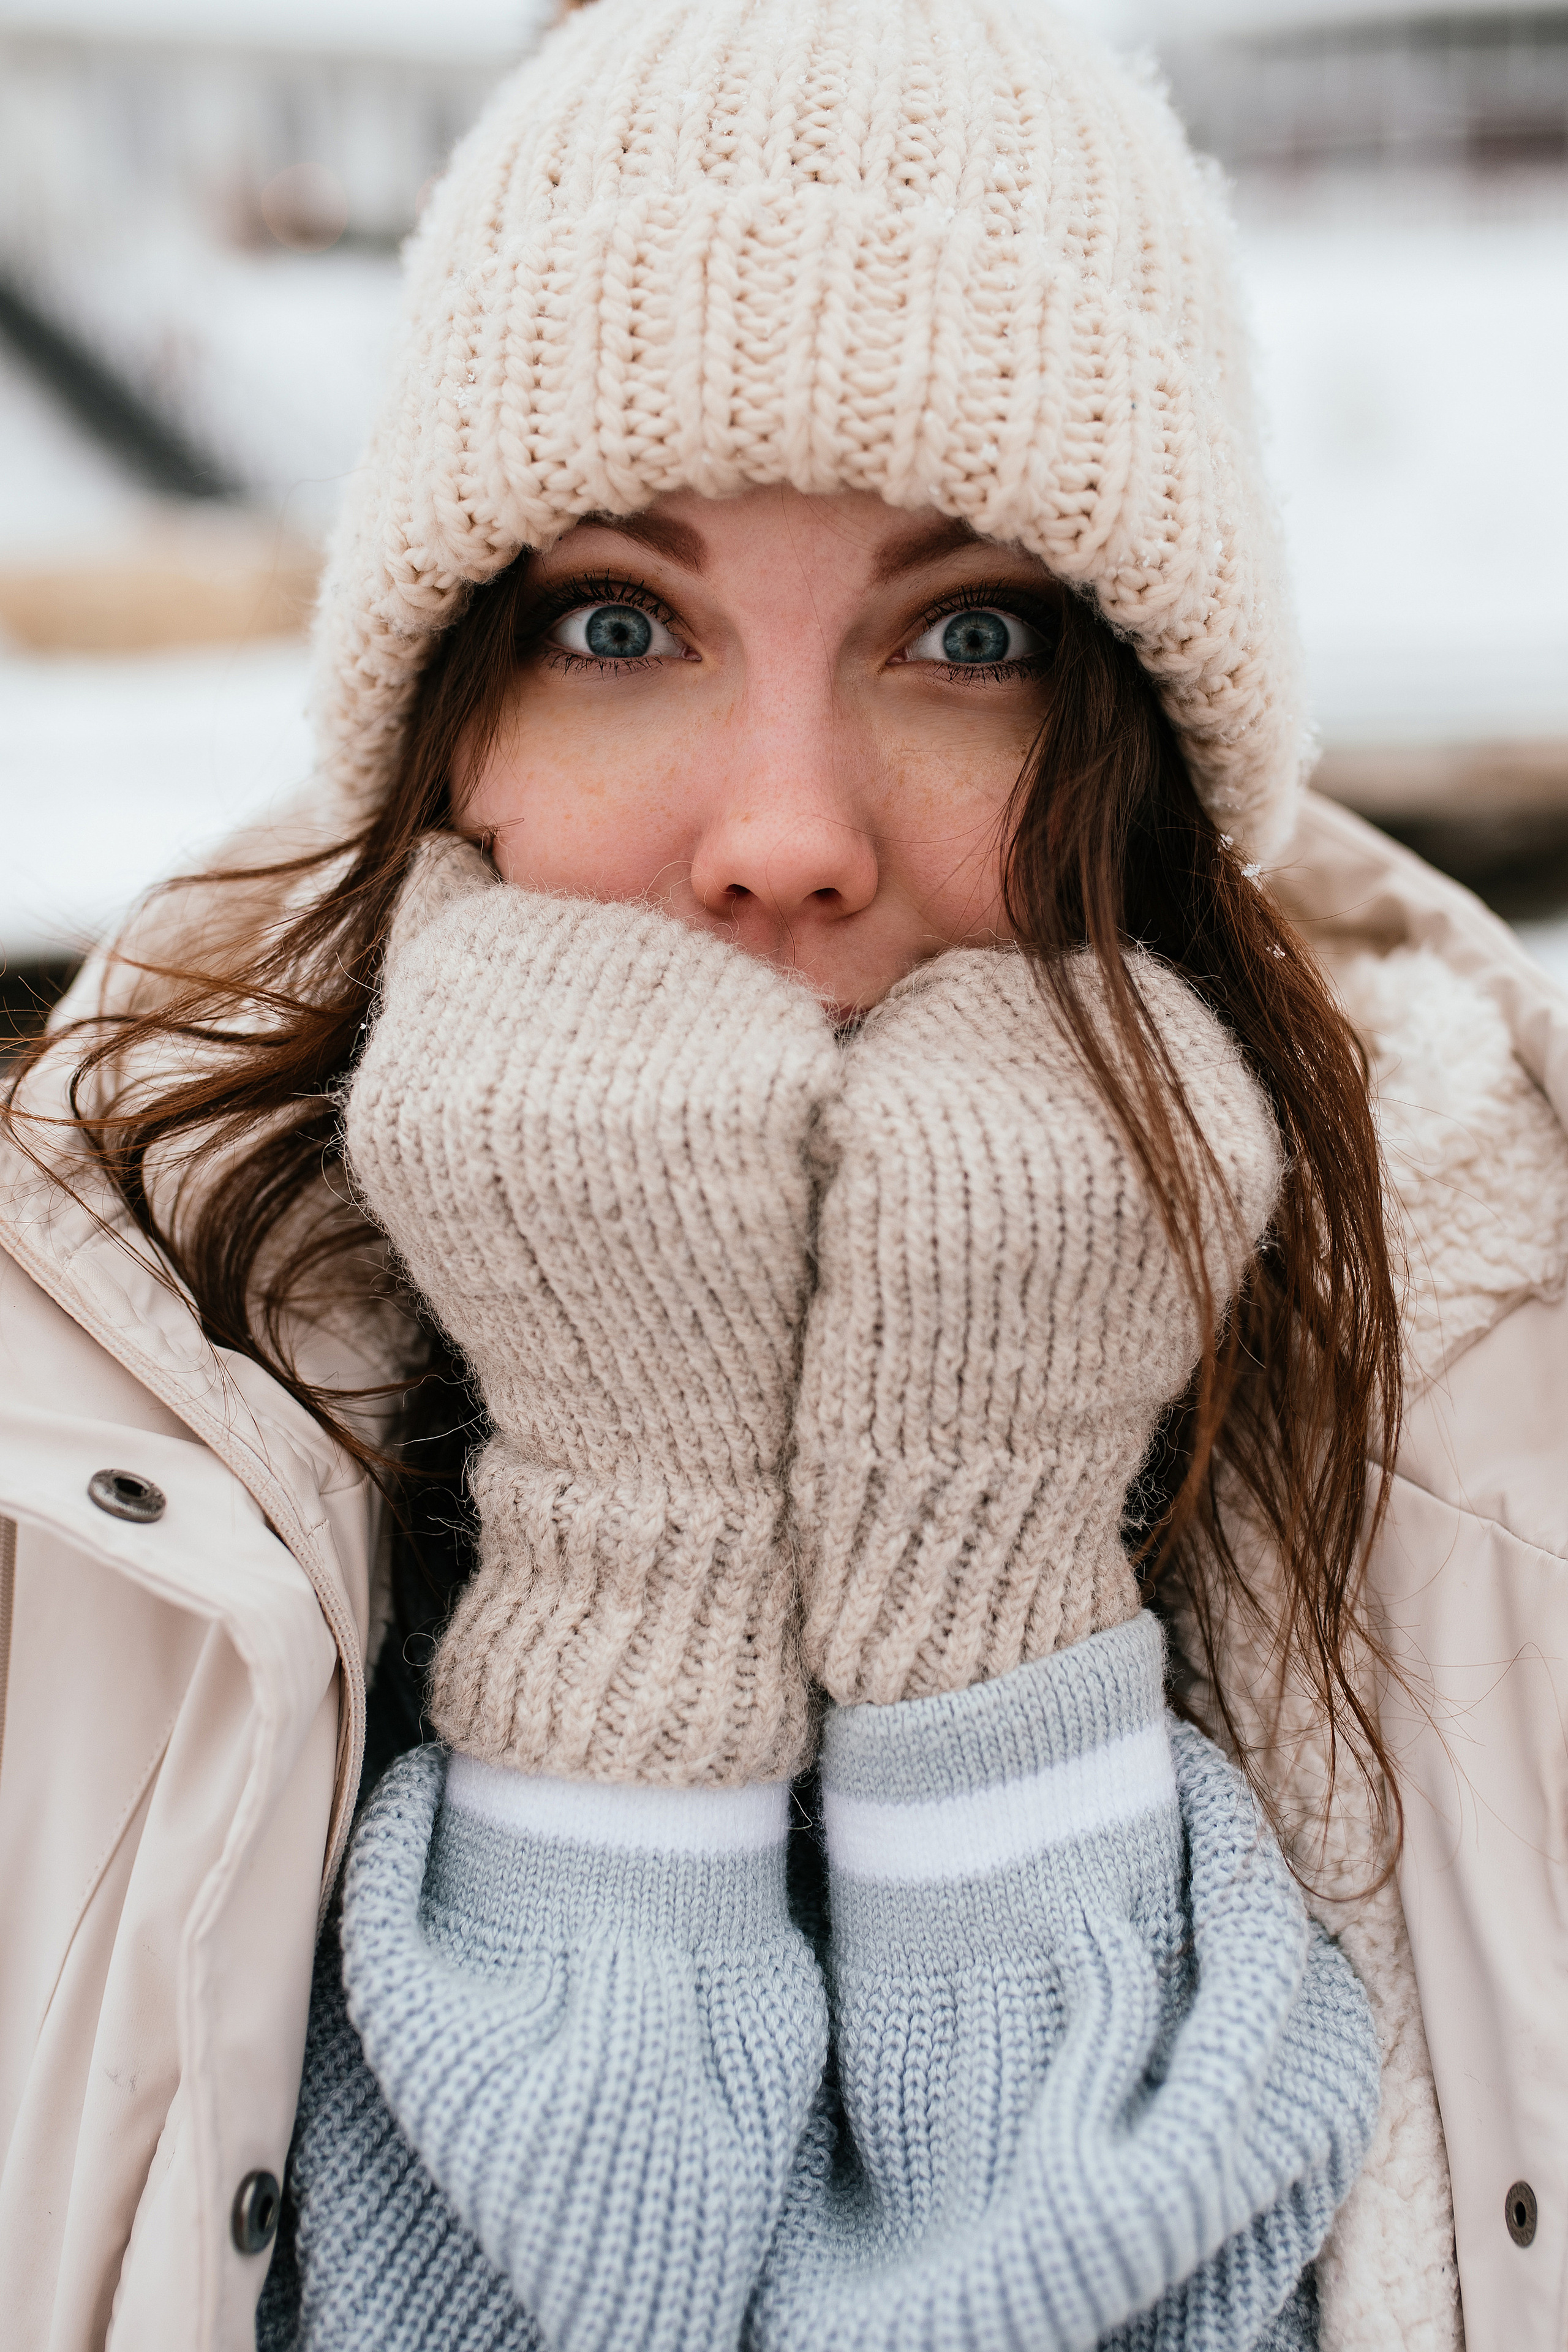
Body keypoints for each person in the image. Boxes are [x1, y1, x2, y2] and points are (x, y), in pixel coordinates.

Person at [2, 1, 1566, 2346]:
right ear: (451, 728)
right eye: (617, 627)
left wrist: (993, 1567)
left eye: (975, 639)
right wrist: (638, 1519)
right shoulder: (77, 1392)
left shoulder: (1504, 1385)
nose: (787, 840)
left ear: (1150, 738)